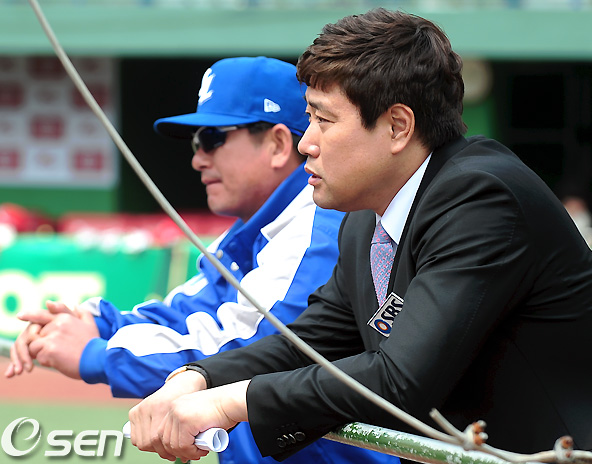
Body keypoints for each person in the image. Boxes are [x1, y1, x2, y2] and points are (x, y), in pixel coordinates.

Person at [126, 9, 592, 464]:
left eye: (323, 120)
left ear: (398, 127)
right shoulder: (367, 219)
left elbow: (400, 379)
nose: (306, 142)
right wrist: (197, 378)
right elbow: (305, 343)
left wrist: (230, 402)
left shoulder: (480, 198)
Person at [5, 56, 399, 464]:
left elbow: (253, 348)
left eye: (212, 138)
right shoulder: (254, 226)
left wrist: (97, 354)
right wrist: (98, 322)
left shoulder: (321, 223)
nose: (197, 159)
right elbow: (188, 311)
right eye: (196, 142)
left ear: (279, 145)